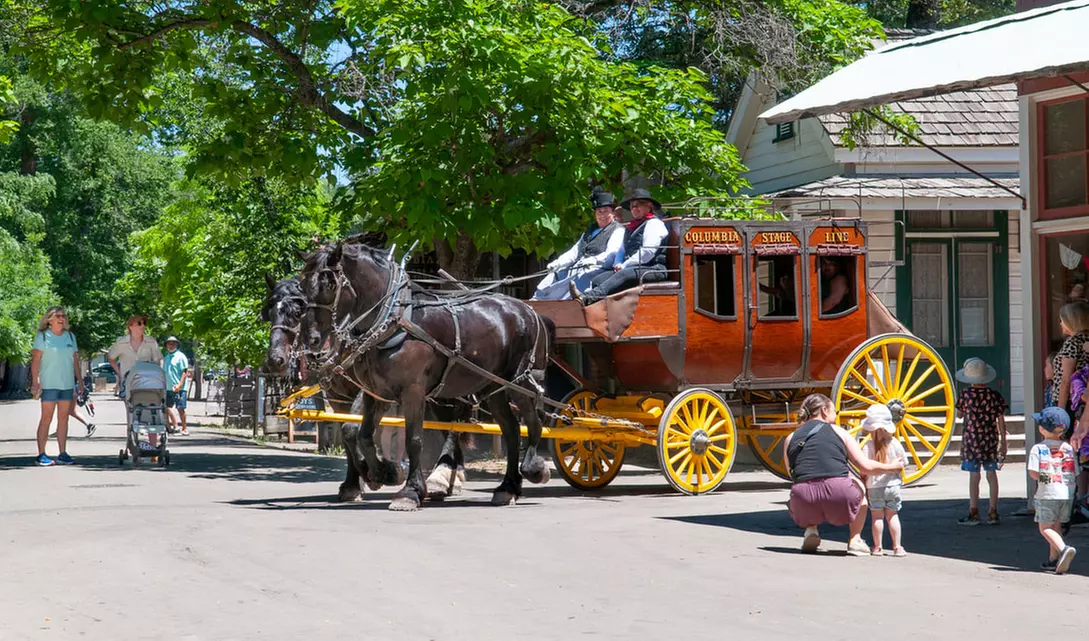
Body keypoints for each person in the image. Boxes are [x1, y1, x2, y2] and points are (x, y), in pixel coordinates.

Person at [783, 393, 905, 555]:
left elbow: (793, 474)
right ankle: (855, 539)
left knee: (803, 485)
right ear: (825, 411)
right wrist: (893, 467)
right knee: (859, 485)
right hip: (838, 495)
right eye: (835, 411)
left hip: (803, 499)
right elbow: (865, 467)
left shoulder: (790, 438)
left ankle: (811, 529)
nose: (836, 414)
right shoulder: (840, 432)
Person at [573, 187, 669, 302]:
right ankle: (599, 310)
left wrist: (625, 265)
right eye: (632, 206)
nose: (634, 209)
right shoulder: (632, 227)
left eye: (638, 205)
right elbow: (622, 250)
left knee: (623, 275)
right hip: (635, 267)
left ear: (649, 206)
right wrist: (618, 263)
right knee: (598, 280)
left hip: (654, 268)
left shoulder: (654, 224)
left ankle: (586, 299)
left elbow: (647, 252)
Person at [532, 189, 624, 300]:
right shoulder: (591, 230)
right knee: (554, 275)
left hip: (597, 268)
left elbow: (612, 254)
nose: (602, 215)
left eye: (605, 211)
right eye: (599, 211)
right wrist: (559, 263)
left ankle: (566, 305)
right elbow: (574, 251)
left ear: (613, 213)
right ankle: (536, 302)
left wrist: (594, 260)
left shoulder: (618, 230)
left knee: (579, 279)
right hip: (578, 265)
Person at [955, 357, 1008, 526]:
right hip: (990, 438)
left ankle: (973, 511)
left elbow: (959, 415)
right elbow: (1001, 419)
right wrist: (1004, 441)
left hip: (972, 439)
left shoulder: (965, 395)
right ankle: (993, 511)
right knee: (991, 475)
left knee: (974, 475)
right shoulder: (994, 396)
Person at [30, 306, 83, 466]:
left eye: (63, 316)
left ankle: (62, 453)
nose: (62, 318)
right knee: (46, 418)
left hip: (66, 384)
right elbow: (36, 361)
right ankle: (41, 454)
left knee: (63, 418)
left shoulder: (70, 337)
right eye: (58, 315)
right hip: (48, 384)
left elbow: (75, 360)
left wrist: (79, 380)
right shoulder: (43, 337)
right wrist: (35, 382)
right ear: (49, 319)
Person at [1028, 407, 1077, 573]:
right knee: (1056, 526)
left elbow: (1034, 473)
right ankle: (1053, 559)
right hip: (1066, 493)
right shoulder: (1068, 448)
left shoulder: (1037, 449)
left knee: (1045, 528)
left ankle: (1064, 549)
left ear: (1042, 429)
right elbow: (1074, 472)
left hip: (1047, 494)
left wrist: (1046, 480)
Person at [108, 315, 163, 448]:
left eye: (144, 323)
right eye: (139, 323)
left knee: (151, 411)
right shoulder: (121, 342)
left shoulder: (151, 342)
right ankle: (132, 444)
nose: (142, 325)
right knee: (131, 412)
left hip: (149, 381)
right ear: (131, 326)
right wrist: (119, 373)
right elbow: (111, 357)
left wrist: (160, 374)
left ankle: (153, 447)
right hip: (129, 382)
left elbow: (159, 359)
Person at [860, 405, 908, 557]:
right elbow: (904, 463)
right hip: (892, 485)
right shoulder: (895, 443)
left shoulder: (867, 446)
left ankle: (877, 547)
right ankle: (897, 547)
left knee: (877, 517)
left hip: (874, 487)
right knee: (893, 516)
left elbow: (863, 468)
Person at [1050, 302, 1089, 422]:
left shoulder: (1072, 343)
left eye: (1062, 320)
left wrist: (1060, 411)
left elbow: (1066, 380)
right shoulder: (1086, 340)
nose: (1060, 324)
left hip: (1069, 401)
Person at [163, 336, 191, 436]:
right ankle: (170, 427)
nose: (171, 346)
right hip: (168, 387)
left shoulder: (180, 356)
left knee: (180, 408)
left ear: (176, 345)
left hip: (179, 387)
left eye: (173, 344)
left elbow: (185, 372)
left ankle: (184, 428)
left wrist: (180, 384)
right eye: (169, 344)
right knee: (166, 408)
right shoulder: (166, 357)